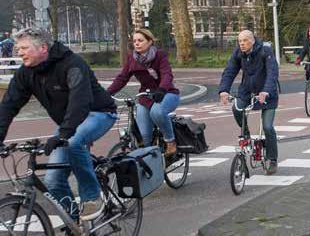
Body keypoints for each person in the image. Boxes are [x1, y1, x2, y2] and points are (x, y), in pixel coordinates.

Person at [0, 27, 117, 221]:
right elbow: (9, 105)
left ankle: (92, 197)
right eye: (17, 48)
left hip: (98, 113)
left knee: (74, 141)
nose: (18, 52)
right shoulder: (25, 73)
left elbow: (80, 102)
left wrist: (63, 134)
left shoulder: (72, 64)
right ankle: (76, 223)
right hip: (69, 122)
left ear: (43, 48)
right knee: (53, 181)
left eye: (24, 48)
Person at [107, 29, 180, 155]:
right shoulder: (132, 59)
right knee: (144, 136)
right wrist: (107, 93)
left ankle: (170, 141)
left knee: (157, 111)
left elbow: (167, 75)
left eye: (140, 40)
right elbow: (122, 78)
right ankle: (151, 165)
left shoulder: (159, 55)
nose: (137, 43)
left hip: (167, 93)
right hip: (146, 97)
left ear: (150, 42)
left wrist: (162, 89)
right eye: (134, 41)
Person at [219, 30, 279, 174]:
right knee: (236, 108)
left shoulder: (265, 51)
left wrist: (266, 91)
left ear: (252, 41)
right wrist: (223, 90)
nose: (242, 44)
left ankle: (272, 159)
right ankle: (246, 134)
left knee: (268, 127)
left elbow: (272, 73)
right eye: (240, 41)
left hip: (267, 94)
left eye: (245, 40)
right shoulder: (238, 53)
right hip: (246, 92)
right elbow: (229, 71)